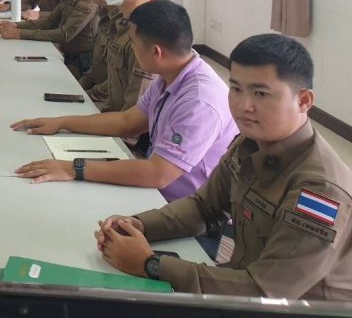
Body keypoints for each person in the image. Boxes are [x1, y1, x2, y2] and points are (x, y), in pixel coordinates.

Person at [97, 34, 352, 299]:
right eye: (236, 89)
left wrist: (151, 264)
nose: (243, 106)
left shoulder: (320, 191)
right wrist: (138, 224)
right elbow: (204, 207)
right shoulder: (249, 144)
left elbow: (264, 291)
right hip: (240, 286)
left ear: (304, 100)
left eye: (261, 93)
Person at [11, 0, 238, 203]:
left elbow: (158, 174)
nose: (132, 48)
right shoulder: (170, 75)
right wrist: (62, 122)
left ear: (156, 52)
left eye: (133, 43)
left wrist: (74, 168)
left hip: (186, 210)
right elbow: (127, 122)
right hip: (156, 193)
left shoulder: (199, 101)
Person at [84, 0, 157, 113]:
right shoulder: (120, 24)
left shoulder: (145, 36)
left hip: (121, 126)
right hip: (109, 115)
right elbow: (114, 84)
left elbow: (133, 117)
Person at [77, 0, 114, 95]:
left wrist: (86, 95)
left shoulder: (131, 27)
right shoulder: (105, 19)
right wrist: (76, 89)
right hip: (95, 93)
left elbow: (118, 84)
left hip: (106, 102)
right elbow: (95, 71)